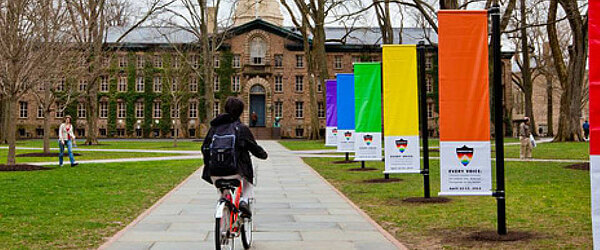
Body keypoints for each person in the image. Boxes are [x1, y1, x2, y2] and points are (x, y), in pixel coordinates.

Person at [202, 97, 268, 217]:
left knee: (223, 190)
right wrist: (263, 155)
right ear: (240, 112)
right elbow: (253, 147)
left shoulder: (214, 128)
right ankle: (244, 201)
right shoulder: (241, 128)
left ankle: (223, 202)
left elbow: (205, 148)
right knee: (247, 180)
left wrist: (209, 165)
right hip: (235, 172)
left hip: (214, 173)